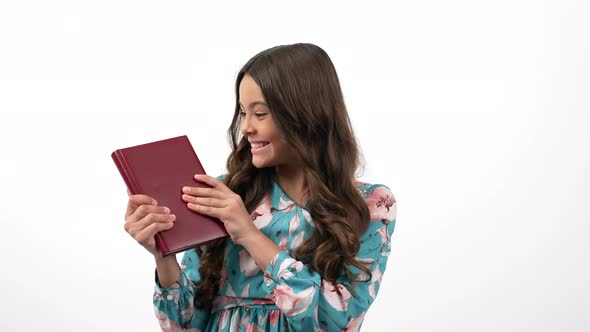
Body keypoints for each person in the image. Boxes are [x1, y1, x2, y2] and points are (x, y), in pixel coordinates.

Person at [124, 43, 397, 331]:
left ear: (306, 113)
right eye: (243, 112)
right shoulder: (224, 196)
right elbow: (183, 325)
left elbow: (335, 321)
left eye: (261, 113)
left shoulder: (370, 203)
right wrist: (163, 252)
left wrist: (249, 234)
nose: (246, 128)